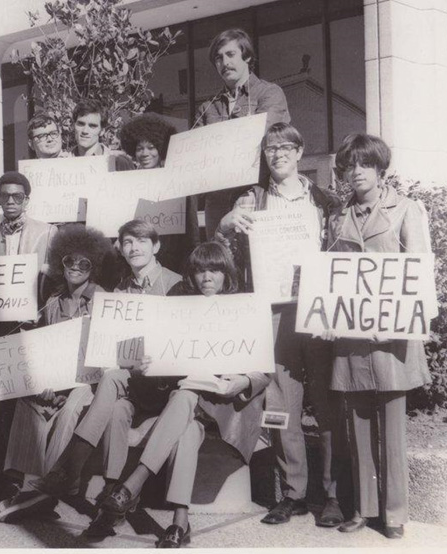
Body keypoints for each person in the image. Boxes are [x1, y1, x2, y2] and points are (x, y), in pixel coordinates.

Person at [94, 242, 269, 547]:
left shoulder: (243, 306)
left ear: (227, 273)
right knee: (186, 420)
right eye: (200, 270)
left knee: (185, 399)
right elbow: (162, 353)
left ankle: (132, 484)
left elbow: (264, 369)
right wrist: (149, 361)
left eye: (214, 269)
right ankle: (179, 523)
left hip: (224, 405)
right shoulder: (180, 305)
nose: (206, 277)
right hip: (186, 404)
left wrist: (243, 380)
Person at [216, 122, 344, 527]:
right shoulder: (252, 199)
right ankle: (293, 494)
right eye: (271, 148)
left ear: (301, 151)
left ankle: (333, 495)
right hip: (273, 310)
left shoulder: (324, 199)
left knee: (327, 402)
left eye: (287, 147)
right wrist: (228, 220)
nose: (279, 154)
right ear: (265, 155)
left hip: (316, 309)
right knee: (280, 405)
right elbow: (220, 233)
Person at [324, 134, 432, 539]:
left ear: (380, 169)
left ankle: (395, 514)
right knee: (358, 427)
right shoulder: (337, 217)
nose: (356, 173)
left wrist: (397, 321)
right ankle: (364, 510)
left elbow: (419, 275)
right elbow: (329, 277)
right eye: (350, 166)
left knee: (392, 429)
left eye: (364, 165)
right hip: (351, 336)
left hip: (392, 339)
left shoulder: (405, 210)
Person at [28, 220, 181, 503]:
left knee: (106, 383)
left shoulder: (176, 285)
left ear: (156, 246)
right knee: (113, 387)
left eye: (142, 241)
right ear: (120, 250)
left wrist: (160, 359)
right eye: (127, 242)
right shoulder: (119, 292)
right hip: (130, 378)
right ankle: (109, 493)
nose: (134, 247)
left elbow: (184, 341)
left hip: (164, 379)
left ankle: (68, 469)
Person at [0, 225, 114, 522]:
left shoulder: (102, 300)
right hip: (57, 380)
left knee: (72, 407)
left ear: (94, 266)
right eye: (69, 261)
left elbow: (106, 354)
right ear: (61, 261)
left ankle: (46, 487)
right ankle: (27, 487)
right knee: (29, 402)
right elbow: (45, 350)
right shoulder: (52, 302)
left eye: (83, 263)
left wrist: (73, 385)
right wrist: (46, 384)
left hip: (90, 381)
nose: (75, 267)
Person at [0, 170, 57, 499]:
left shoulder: (48, 232)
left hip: (30, 326)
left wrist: (43, 274)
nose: (11, 202)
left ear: (27, 199)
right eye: (5, 196)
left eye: (17, 196)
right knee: (1, 400)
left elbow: (56, 281)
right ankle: (1, 473)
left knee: (27, 400)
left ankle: (22, 475)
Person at [195, 28, 291, 239]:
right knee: (219, 264)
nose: (224, 62)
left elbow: (263, 137)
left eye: (231, 54)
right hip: (217, 201)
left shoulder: (269, 93)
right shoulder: (207, 107)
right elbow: (197, 153)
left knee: (255, 263)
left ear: (247, 56)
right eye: (218, 58)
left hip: (256, 193)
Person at [119, 113, 200, 273]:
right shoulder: (127, 183)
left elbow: (191, 228)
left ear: (161, 149)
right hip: (138, 256)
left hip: (172, 255)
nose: (144, 153)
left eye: (151, 147)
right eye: (139, 148)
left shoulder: (177, 181)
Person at [72, 99, 134, 171]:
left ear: (102, 131)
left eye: (92, 126)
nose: (85, 131)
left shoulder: (118, 162)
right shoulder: (61, 161)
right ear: (74, 125)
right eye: (81, 124)